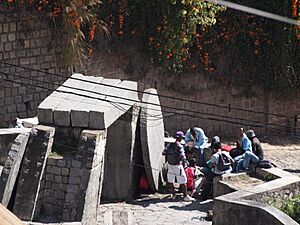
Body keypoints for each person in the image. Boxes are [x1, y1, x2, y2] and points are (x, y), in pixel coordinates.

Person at [162, 131, 195, 201]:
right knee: (183, 180)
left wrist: (170, 154)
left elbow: (164, 153)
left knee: (171, 180)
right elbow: (183, 156)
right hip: (178, 165)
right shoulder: (180, 146)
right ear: (180, 138)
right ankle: (185, 196)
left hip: (170, 165)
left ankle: (173, 195)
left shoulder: (169, 145)